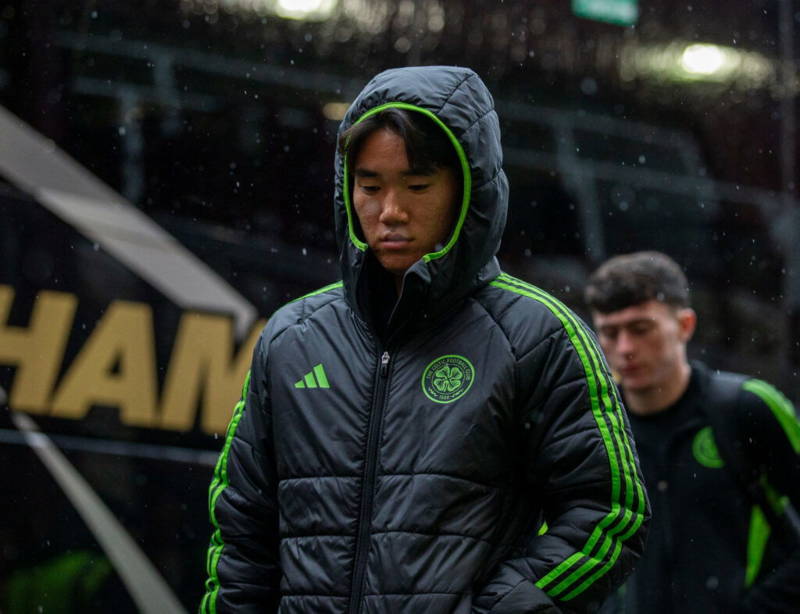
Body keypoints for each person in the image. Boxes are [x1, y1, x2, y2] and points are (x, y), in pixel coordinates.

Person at [200, 66, 649, 614]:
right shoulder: (292, 338)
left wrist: (497, 609)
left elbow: (610, 515)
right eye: (369, 187)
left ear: (470, 190)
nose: (390, 212)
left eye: (417, 186)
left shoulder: (540, 335)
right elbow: (242, 535)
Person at [585, 250, 800, 614]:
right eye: (609, 332)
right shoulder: (594, 428)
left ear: (685, 325)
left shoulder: (745, 408)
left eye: (640, 329)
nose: (624, 349)